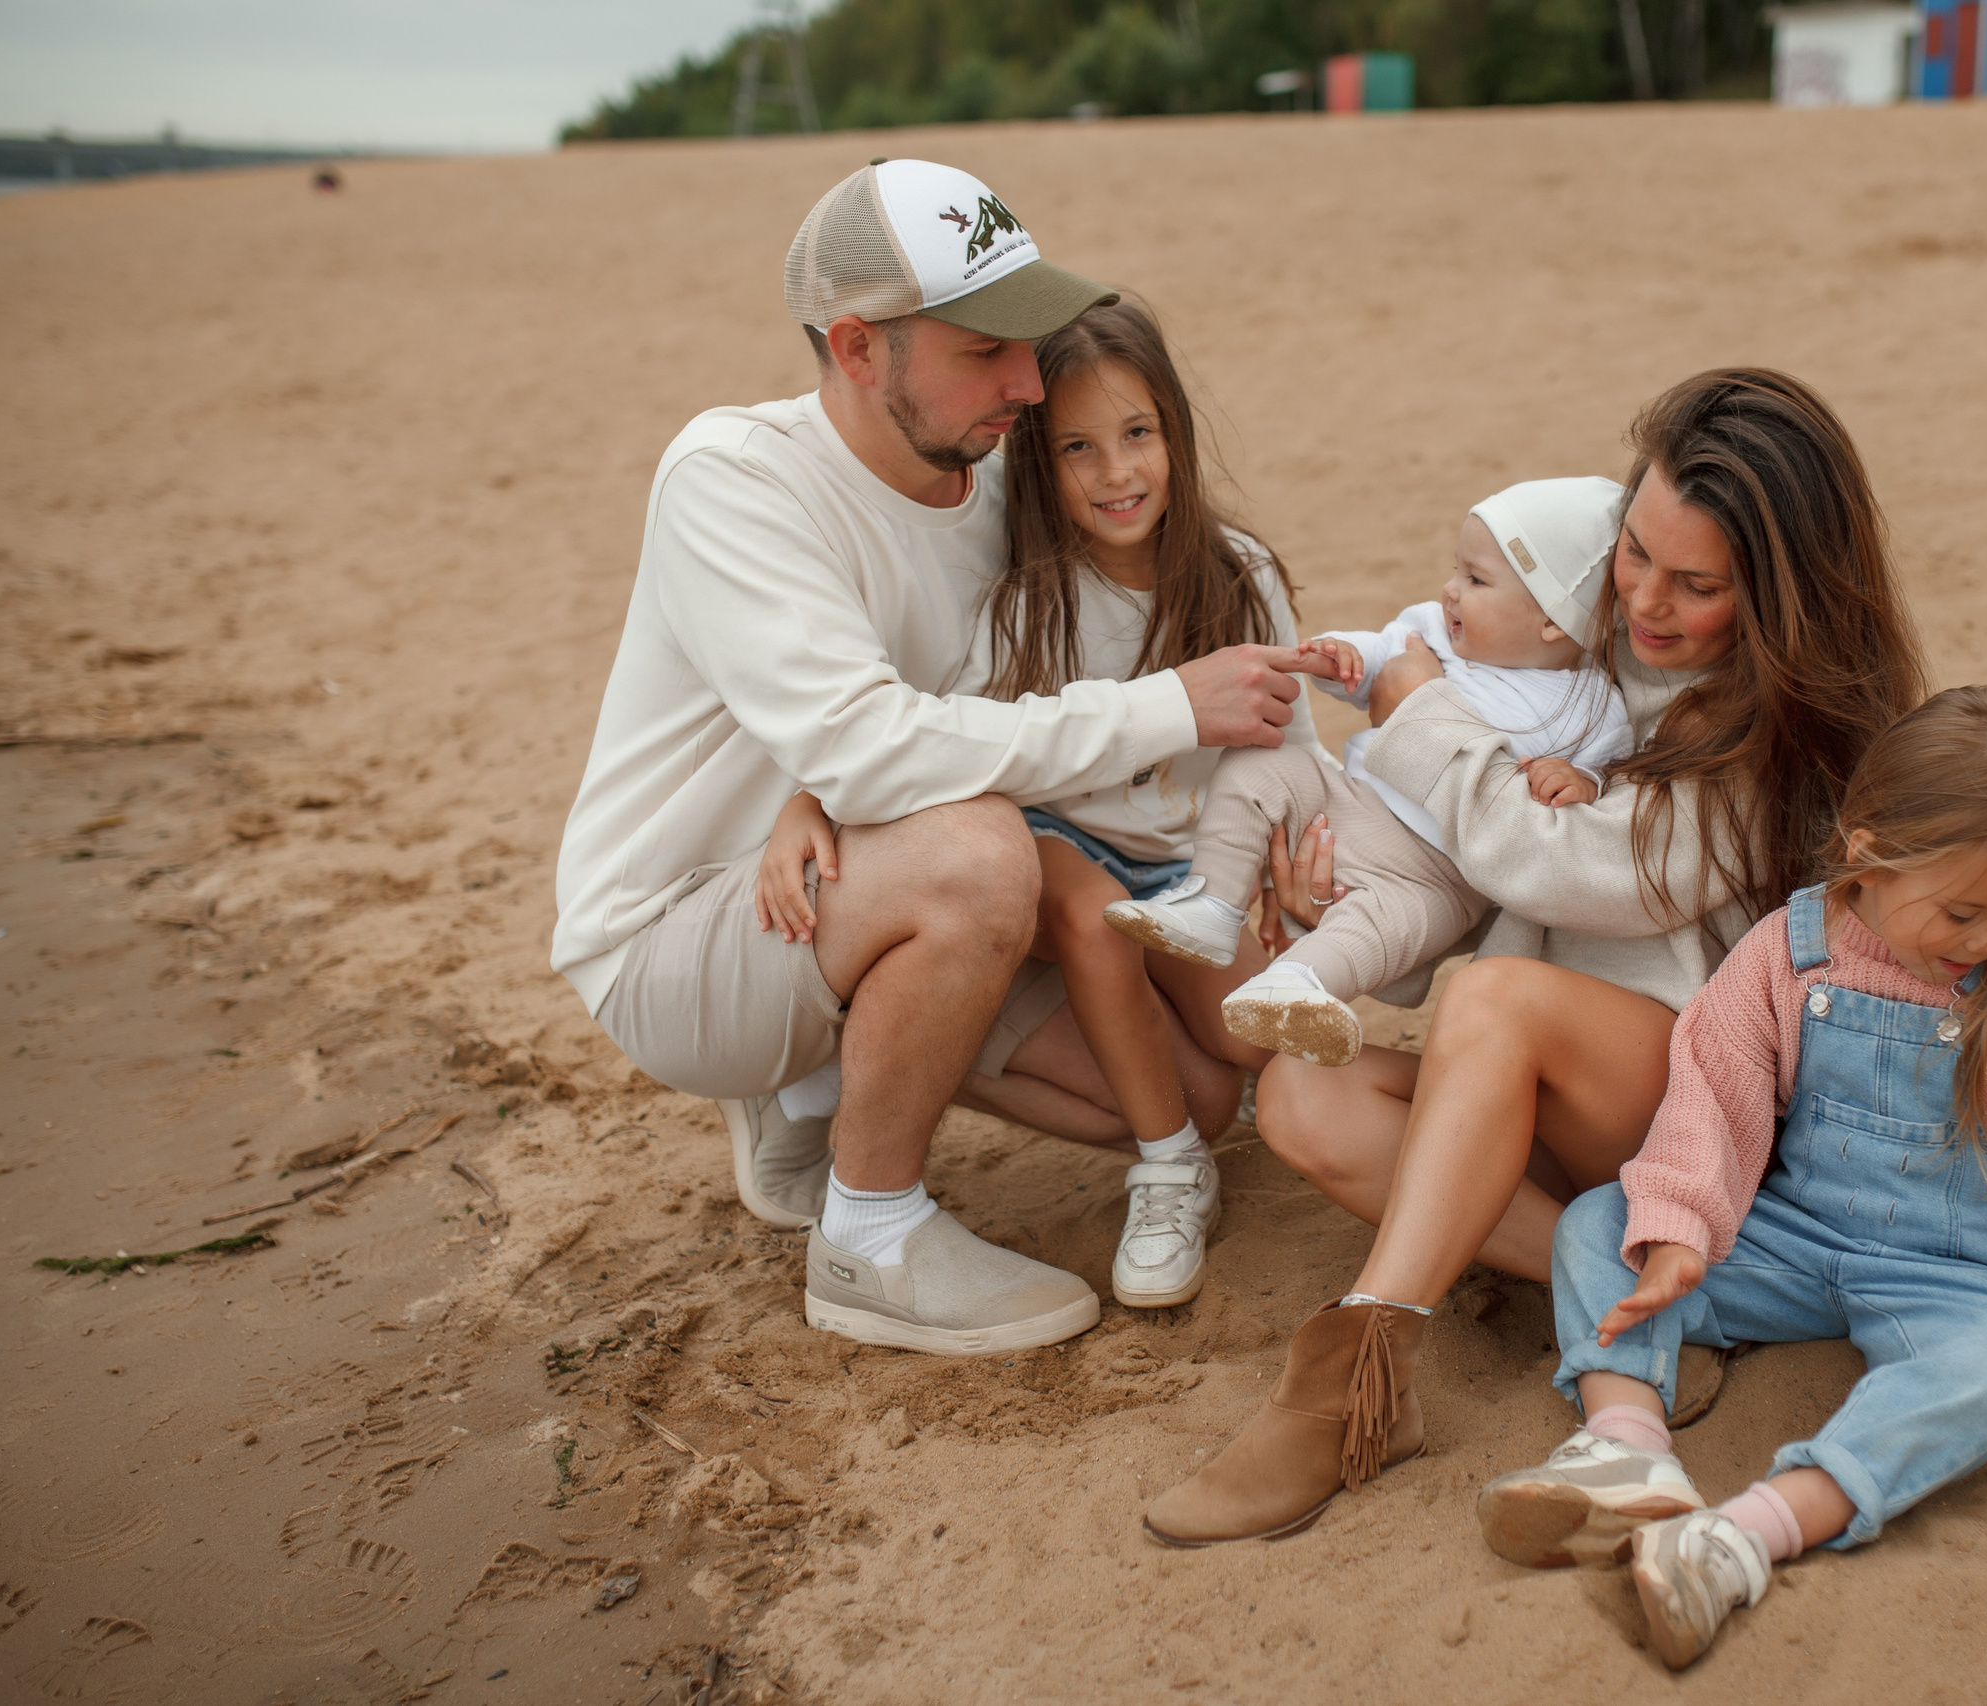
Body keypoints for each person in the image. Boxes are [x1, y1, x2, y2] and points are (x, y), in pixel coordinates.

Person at [1141, 369, 1928, 1546]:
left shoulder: (1767, 728)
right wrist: (1344, 898)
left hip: (1707, 1110)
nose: (1648, 602)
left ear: (1778, 592)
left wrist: (1417, 711)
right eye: (1634, 555)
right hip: (1562, 1089)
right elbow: (1476, 883)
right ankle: (1646, 1308)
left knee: (1499, 1000)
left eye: (1697, 584)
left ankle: (1359, 1372)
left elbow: (1577, 876)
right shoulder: (1576, 655)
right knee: (1302, 1093)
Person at [550, 158, 1320, 1358]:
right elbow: (874, 753)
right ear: (857, 349)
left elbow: (1022, 658)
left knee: (1187, 1095)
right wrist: (1167, 709)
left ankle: (814, 1082)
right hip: (691, 929)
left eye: (1031, 333)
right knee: (976, 854)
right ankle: (871, 1234)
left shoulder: (1009, 459)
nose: (1029, 378)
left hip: (861, 871)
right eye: (983, 347)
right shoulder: (733, 479)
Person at [1482, 685, 1987, 1670]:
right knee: (1599, 1222)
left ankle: (1746, 1533)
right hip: (1793, 1233)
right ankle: (1627, 1448)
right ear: (1865, 848)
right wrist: (1682, 1229)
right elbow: (1712, 1091)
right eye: (1961, 909)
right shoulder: (1791, 948)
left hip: (1953, 1271)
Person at [755, 297, 1315, 1312]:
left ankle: (909, 1060)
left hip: (1188, 862)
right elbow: (923, 735)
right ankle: (1168, 1164)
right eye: (1078, 447)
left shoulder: (1239, 575)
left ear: (1174, 433)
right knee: (1091, 917)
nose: (1117, 472)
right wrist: (806, 798)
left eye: (1138, 434)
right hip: (1062, 842)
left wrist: (1290, 842)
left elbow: (1295, 742)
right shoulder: (1028, 600)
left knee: (1244, 1042)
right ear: (1037, 465)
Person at [1103, 477, 1632, 1067]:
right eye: (1457, 571)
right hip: (1349, 803)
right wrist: (1342, 658)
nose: (1450, 590)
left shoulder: (1594, 709)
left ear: (1554, 621)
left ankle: (1300, 984)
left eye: (1476, 581)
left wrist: (1582, 783)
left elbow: (1606, 795)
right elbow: (1379, 655)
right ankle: (1214, 903)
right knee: (1264, 760)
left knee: (1387, 927)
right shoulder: (1434, 632)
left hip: (1441, 875)